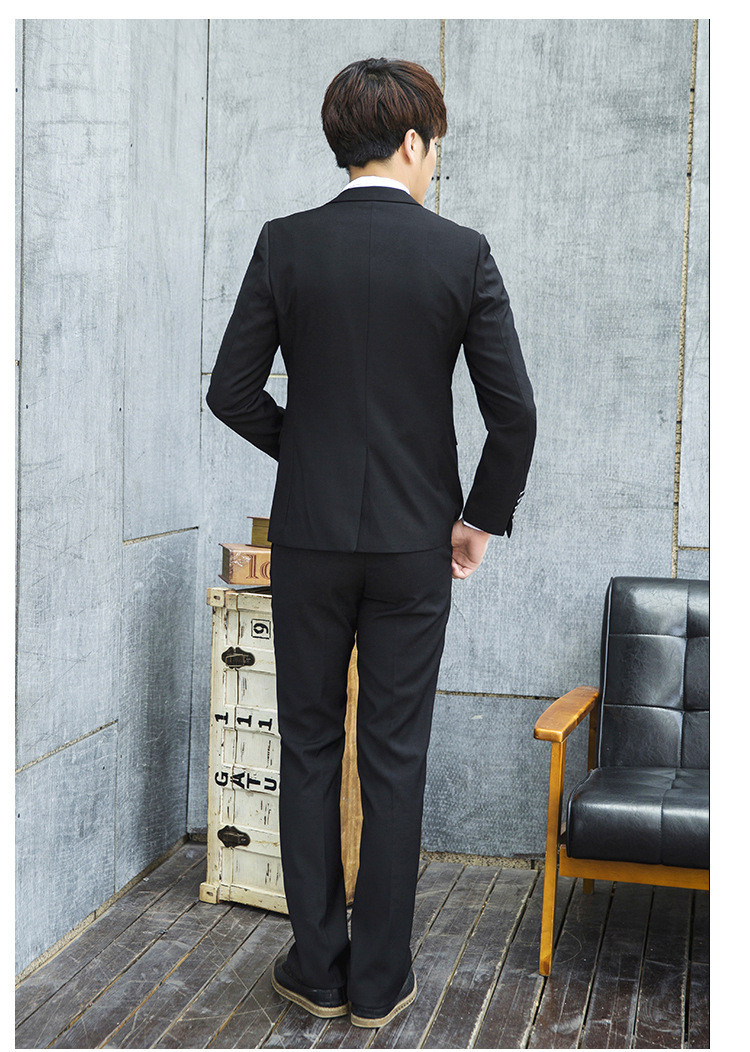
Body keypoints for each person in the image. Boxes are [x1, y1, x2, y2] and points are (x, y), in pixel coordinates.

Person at [205, 56, 536, 1029]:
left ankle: (317, 967)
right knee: (394, 754)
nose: (435, 164)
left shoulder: (286, 244)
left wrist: (309, 452)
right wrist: (475, 518)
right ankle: (381, 981)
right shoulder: (460, 253)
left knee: (307, 745)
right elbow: (514, 416)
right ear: (413, 142)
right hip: (411, 544)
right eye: (435, 149)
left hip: (309, 541)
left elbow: (230, 391)